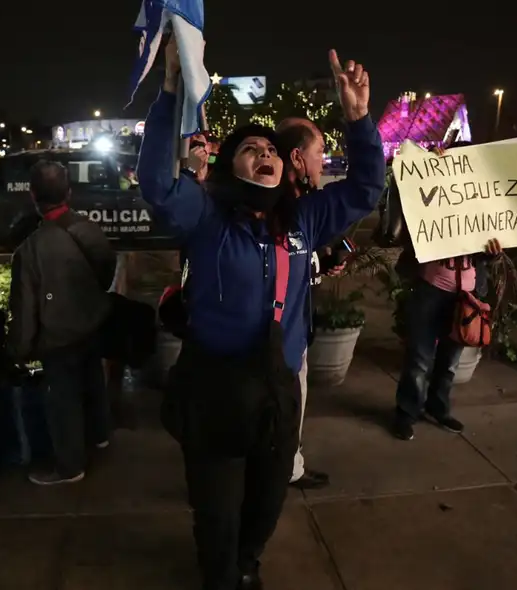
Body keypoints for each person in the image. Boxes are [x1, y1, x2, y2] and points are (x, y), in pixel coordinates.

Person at [137, 38, 383, 590]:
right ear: (231, 165)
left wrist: (359, 120)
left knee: (268, 500)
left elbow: (367, 188)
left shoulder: (305, 219)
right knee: (217, 512)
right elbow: (157, 185)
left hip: (277, 390)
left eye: (270, 148)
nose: (264, 153)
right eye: (249, 148)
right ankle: (222, 575)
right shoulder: (206, 216)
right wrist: (169, 90)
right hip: (214, 389)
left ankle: (247, 562)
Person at [8, 160, 116, 486]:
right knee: (93, 380)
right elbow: (105, 273)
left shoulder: (30, 249)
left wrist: (19, 349)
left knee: (62, 399)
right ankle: (100, 436)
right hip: (92, 321)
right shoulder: (89, 229)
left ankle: (70, 467)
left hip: (57, 336)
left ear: (32, 195)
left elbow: (24, 307)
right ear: (69, 192)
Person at [390, 142, 502, 441]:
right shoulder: (434, 195)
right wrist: (427, 166)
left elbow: (487, 249)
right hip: (430, 291)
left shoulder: (481, 202)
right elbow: (402, 189)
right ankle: (406, 413)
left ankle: (438, 408)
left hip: (466, 296)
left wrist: (492, 252)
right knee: (419, 359)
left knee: (450, 362)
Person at [272, 117, 341, 491]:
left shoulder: (303, 205)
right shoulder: (282, 210)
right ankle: (282, 469)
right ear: (297, 158)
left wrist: (321, 260)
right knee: (282, 412)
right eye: (319, 152)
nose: (323, 161)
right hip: (279, 340)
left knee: (291, 409)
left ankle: (289, 465)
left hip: (295, 334)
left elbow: (299, 258)